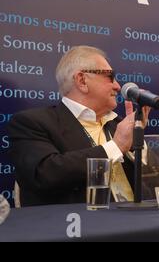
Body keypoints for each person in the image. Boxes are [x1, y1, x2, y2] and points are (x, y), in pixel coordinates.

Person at [7, 46, 151, 206]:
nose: (117, 86)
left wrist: (137, 141)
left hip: (139, 220)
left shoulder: (119, 124)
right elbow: (44, 174)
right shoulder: (32, 122)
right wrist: (116, 147)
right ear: (82, 81)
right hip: (76, 225)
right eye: (110, 77)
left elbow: (153, 181)